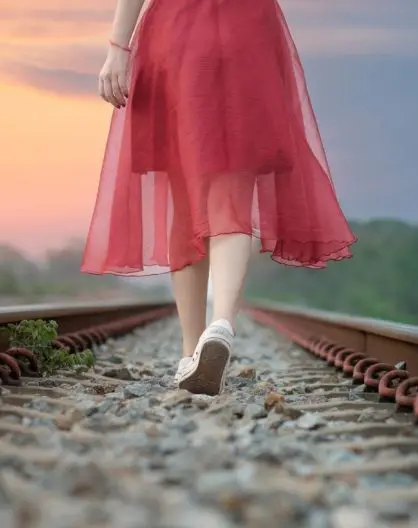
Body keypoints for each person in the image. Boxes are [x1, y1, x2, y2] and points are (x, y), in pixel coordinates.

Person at [82, 0, 357, 396]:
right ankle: (222, 324)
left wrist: (117, 48)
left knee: (182, 194)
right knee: (234, 190)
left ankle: (191, 349)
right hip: (250, 33)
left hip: (176, 31)